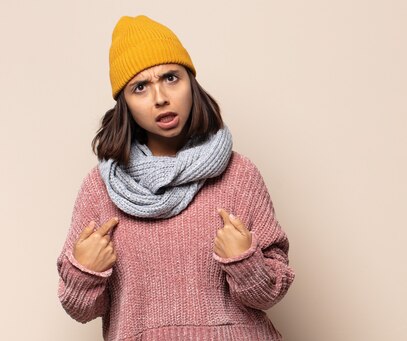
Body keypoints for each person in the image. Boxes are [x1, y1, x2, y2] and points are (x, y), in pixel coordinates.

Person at [56, 15, 295, 341]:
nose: (160, 98)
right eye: (140, 87)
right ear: (125, 104)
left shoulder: (238, 175)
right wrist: (85, 271)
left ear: (191, 83)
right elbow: (79, 309)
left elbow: (272, 292)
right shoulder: (100, 189)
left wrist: (244, 261)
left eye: (171, 77)